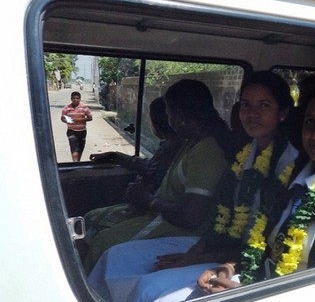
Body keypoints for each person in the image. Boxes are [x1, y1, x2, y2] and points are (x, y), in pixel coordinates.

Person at [87, 71, 299, 302]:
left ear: (283, 112)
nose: (251, 114)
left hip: (250, 262)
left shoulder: (289, 168)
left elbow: (262, 245)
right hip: (222, 248)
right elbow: (221, 221)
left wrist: (199, 259)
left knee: (149, 291)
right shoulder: (247, 156)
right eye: (246, 105)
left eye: (264, 106)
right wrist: (195, 255)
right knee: (116, 257)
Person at [197, 75, 315, 296]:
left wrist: (246, 293)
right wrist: (227, 268)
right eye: (310, 123)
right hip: (266, 284)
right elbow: (267, 246)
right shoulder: (294, 177)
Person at [82, 79, 230, 273]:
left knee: (104, 242)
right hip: (163, 217)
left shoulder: (207, 150)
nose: (168, 121)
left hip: (180, 229)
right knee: (95, 225)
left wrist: (147, 200)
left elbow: (191, 216)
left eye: (169, 114)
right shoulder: (191, 143)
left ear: (179, 115)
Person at [78, 97, 184, 259]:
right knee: (89, 218)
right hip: (147, 208)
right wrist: (116, 156)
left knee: (101, 238)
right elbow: (148, 166)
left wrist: (142, 196)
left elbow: (154, 172)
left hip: (155, 214)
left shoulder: (177, 149)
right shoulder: (169, 146)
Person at [61, 91, 93, 161]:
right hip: (71, 131)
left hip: (82, 131)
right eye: (73, 98)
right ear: (71, 99)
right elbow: (62, 118)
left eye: (77, 98)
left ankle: (78, 162)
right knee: (74, 148)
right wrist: (67, 120)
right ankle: (75, 163)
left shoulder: (84, 107)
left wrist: (80, 120)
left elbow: (90, 118)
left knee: (80, 149)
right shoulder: (67, 108)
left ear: (80, 99)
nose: (75, 100)